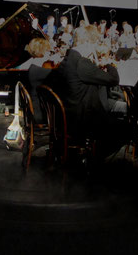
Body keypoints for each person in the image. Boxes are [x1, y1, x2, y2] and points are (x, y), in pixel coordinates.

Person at [46, 24, 124, 161]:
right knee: (126, 127)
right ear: (88, 42)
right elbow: (113, 80)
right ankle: (95, 159)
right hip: (82, 120)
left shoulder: (66, 60)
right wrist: (109, 63)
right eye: (94, 43)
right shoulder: (82, 63)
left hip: (66, 116)